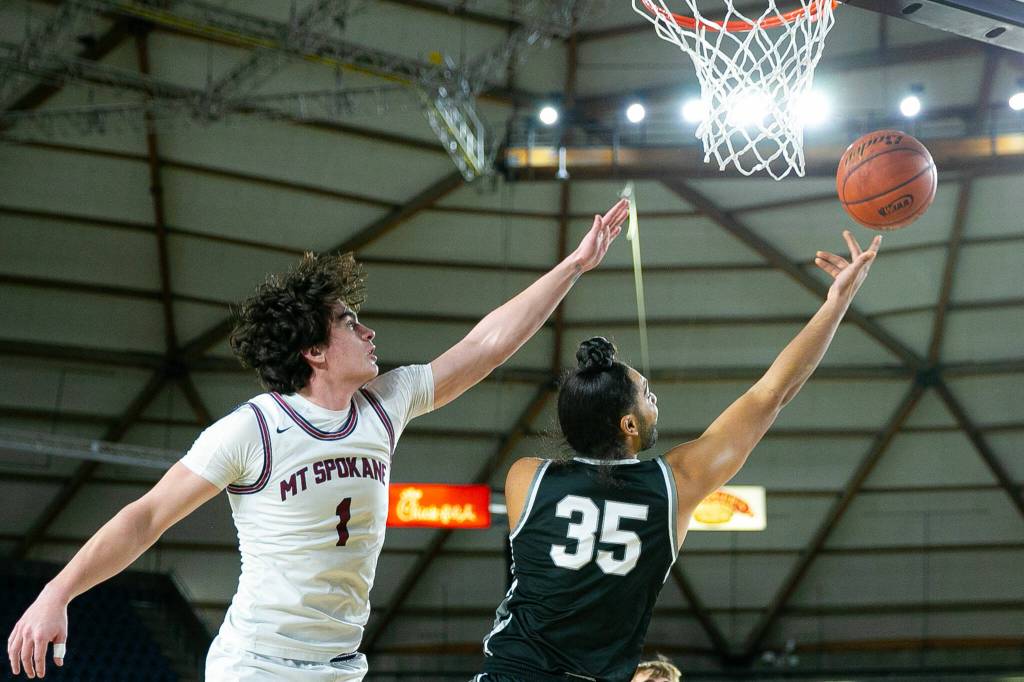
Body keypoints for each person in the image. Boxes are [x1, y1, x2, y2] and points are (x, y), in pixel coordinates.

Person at [6, 198, 631, 680]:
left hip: (339, 665)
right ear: (313, 351)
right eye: (348, 322)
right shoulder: (253, 429)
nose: (367, 331)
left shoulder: (386, 404)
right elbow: (146, 518)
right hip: (256, 666)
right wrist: (57, 591)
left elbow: (486, 346)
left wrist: (574, 266)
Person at [474, 232, 882, 681]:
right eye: (647, 395)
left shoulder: (525, 478)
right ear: (628, 426)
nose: (655, 401)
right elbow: (772, 394)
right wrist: (836, 303)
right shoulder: (675, 485)